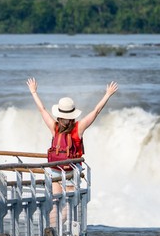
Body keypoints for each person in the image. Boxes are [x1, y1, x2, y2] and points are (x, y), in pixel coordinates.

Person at [26, 77, 118, 225]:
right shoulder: (79, 128)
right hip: (71, 171)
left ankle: (49, 232)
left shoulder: (54, 127)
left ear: (59, 114)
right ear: (72, 115)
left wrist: (33, 92)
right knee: (67, 205)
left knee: (55, 203)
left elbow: (42, 109)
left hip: (55, 170)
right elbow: (96, 111)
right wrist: (107, 94)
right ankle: (59, 233)